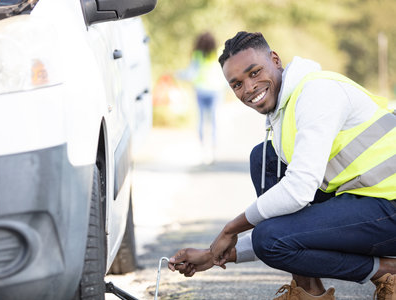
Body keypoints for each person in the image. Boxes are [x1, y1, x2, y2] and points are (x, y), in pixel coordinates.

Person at [168, 31, 396, 300]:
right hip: (370, 201)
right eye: (237, 84)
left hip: (388, 205)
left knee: (269, 235)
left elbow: (298, 192)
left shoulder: (317, 92)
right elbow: (287, 229)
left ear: (275, 59)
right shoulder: (284, 112)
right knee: (264, 158)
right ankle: (308, 291)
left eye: (254, 73)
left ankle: (387, 270)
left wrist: (230, 229)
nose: (249, 88)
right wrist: (216, 254)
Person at [177, 32, 226, 163]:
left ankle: (204, 151)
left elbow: (191, 73)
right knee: (215, 122)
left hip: (201, 91)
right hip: (216, 90)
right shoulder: (219, 52)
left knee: (201, 122)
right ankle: (214, 151)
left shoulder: (197, 55)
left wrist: (178, 75)